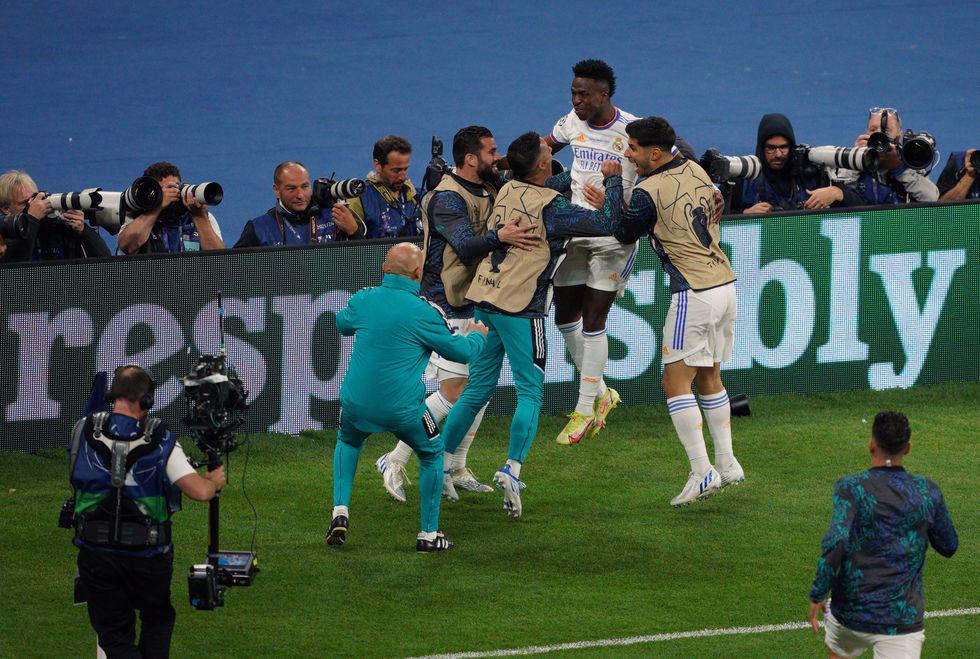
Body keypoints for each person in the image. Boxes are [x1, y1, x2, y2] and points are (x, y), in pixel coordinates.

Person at [438, 132, 625, 519]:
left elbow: (555, 181)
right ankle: (512, 469)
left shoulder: (506, 188)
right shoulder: (554, 210)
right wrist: (609, 177)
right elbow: (609, 222)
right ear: (542, 164)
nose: (550, 154)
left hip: (485, 300)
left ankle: (440, 465)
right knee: (530, 394)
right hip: (522, 309)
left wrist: (577, 171)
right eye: (548, 153)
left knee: (476, 390)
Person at [375, 126, 539, 503]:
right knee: (453, 392)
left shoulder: (491, 186)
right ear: (470, 158)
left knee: (476, 392)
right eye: (491, 151)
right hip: (445, 303)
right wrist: (502, 237)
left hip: (479, 300)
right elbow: (466, 247)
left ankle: (457, 466)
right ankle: (394, 458)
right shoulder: (446, 198)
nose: (496, 158)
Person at [545, 59, 702, 446]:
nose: (576, 99)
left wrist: (710, 190)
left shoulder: (630, 130)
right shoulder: (572, 121)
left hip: (614, 236)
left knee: (594, 318)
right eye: (573, 92)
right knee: (565, 317)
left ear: (604, 95)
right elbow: (546, 147)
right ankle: (602, 394)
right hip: (574, 229)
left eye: (584, 94)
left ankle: (584, 410)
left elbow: (674, 161)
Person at [614, 116, 743, 507]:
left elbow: (620, 231)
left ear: (655, 153)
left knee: (674, 383)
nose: (626, 154)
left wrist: (608, 183)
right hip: (725, 284)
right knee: (708, 376)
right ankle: (728, 463)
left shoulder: (647, 191)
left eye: (632, 148)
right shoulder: (696, 167)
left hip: (693, 292)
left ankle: (702, 471)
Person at [329, 242, 488, 552]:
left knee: (348, 442)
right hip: (403, 409)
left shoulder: (364, 299)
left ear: (383, 269)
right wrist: (478, 337)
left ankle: (340, 512)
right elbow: (461, 351)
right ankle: (429, 535)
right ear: (419, 273)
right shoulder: (425, 312)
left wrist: (361, 300)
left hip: (355, 404)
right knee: (431, 452)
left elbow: (341, 323)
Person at [69, 365, 225, 658]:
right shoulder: (160, 437)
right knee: (157, 618)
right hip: (147, 558)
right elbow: (200, 492)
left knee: (114, 636)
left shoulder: (83, 429)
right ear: (147, 401)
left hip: (95, 554)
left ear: (111, 395)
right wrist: (214, 481)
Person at [807, 410, 958, 659]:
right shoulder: (926, 492)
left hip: (850, 614)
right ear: (907, 448)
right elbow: (949, 545)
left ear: (872, 444)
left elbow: (837, 541)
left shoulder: (850, 487)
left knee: (839, 653)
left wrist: (818, 592)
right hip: (900, 620)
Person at [728, 114, 862, 213]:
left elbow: (864, 209)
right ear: (761, 148)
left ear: (791, 147)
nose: (778, 154)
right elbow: (711, 216)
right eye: (771, 148)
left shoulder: (810, 173)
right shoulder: (744, 176)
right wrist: (744, 213)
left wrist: (837, 192)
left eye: (783, 147)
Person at [234, 161, 364, 247]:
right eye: (291, 188)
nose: (300, 195)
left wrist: (354, 231)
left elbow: (368, 260)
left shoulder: (335, 216)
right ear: (277, 190)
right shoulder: (259, 228)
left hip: (334, 289)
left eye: (305, 186)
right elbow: (231, 268)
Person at [833, 108, 939, 205]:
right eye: (873, 130)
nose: (879, 135)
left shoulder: (908, 159)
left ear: (899, 135)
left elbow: (931, 198)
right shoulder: (854, 156)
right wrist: (856, 160)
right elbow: (839, 194)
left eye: (886, 131)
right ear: (866, 133)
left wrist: (899, 169)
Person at [0, 170, 110, 262]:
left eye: (35, 198)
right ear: (6, 209)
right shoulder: (3, 234)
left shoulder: (58, 226)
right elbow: (13, 271)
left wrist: (83, 230)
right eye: (25, 202)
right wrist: (32, 219)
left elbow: (105, 261)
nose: (35, 205)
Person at [117, 161, 225, 254]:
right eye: (167, 189)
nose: (173, 193)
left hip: (192, 276)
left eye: (176, 187)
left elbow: (219, 259)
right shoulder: (137, 215)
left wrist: (200, 217)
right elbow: (128, 247)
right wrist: (156, 208)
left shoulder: (202, 216)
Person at [333, 135, 420, 239]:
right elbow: (351, 251)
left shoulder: (418, 197)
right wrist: (354, 232)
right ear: (377, 165)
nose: (403, 177)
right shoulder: (359, 198)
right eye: (396, 170)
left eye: (405, 169)